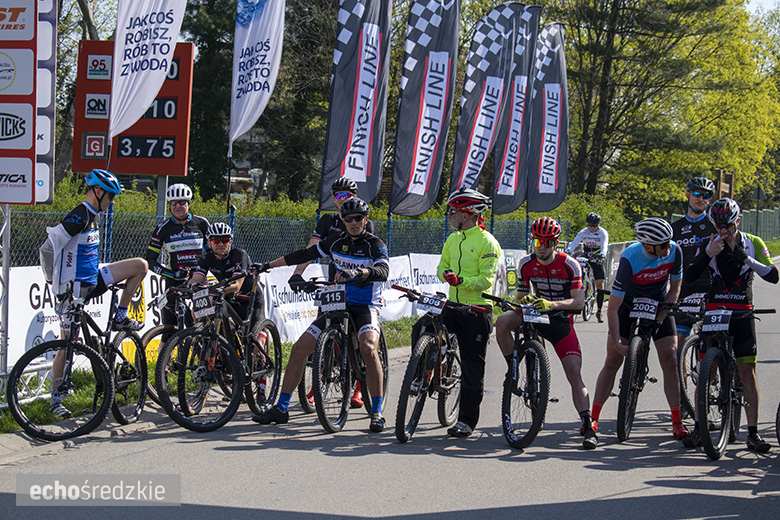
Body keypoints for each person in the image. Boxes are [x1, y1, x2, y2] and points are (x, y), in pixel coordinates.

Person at [253, 198, 390, 432]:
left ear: (366, 220)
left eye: (359, 218)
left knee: (368, 348)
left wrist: (359, 272)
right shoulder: (336, 241)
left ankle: (376, 412)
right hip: (338, 303)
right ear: (343, 221)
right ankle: (282, 408)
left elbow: (383, 270)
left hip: (365, 305)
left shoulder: (374, 244)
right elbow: (303, 254)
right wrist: (268, 265)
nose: (354, 223)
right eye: (349, 219)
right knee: (298, 349)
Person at [39, 169, 149, 416]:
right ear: (97, 192)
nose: (113, 201)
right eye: (111, 196)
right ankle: (55, 399)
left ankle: (121, 314)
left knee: (140, 266)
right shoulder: (80, 214)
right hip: (72, 289)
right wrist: (52, 284)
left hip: (92, 279)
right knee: (67, 344)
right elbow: (47, 249)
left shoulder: (95, 214)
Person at [682, 198, 778, 451]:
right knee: (707, 370)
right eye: (718, 226)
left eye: (728, 225)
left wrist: (744, 257)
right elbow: (689, 278)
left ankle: (753, 433)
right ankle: (699, 428)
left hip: (742, 312)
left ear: (737, 221)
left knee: (748, 373)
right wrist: (706, 255)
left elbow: (773, 276)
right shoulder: (709, 243)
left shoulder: (753, 243)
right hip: (716, 310)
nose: (723, 231)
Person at [496, 217, 597, 449]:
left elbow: (579, 302)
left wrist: (552, 304)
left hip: (560, 319)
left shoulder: (570, 264)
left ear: (555, 243)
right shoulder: (525, 263)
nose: (541, 246)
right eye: (538, 241)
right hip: (534, 314)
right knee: (502, 323)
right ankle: (513, 367)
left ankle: (588, 425)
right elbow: (520, 299)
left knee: (574, 373)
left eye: (547, 242)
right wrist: (523, 303)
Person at [589, 217, 690, 440]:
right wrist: (616, 342)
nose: (668, 247)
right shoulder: (630, 257)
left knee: (670, 358)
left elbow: (674, 290)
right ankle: (593, 419)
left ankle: (677, 421)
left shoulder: (675, 251)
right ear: (648, 246)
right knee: (613, 360)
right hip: (627, 302)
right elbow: (613, 307)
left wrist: (660, 319)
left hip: (658, 301)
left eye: (669, 242)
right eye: (663, 244)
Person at [288, 177, 375, 408]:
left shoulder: (362, 219)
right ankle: (319, 384)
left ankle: (359, 387)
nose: (342, 200)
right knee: (322, 333)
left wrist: (360, 274)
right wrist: (298, 273)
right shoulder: (327, 221)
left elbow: (373, 254)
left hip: (358, 286)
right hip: (333, 285)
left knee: (360, 338)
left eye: (347, 195)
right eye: (338, 196)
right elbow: (311, 249)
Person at [435, 187, 500, 437]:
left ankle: (466, 421)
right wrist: (447, 276)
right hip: (453, 305)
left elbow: (486, 280)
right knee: (422, 326)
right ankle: (424, 370)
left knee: (473, 369)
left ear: (467, 214)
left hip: (478, 310)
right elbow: (441, 267)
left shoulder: (487, 242)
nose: (449, 216)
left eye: (453, 212)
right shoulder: (452, 239)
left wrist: (460, 281)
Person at [189, 222, 270, 404]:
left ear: (230, 241)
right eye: (216, 240)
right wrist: (191, 287)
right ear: (209, 243)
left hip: (250, 299)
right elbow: (197, 278)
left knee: (256, 341)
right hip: (228, 298)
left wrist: (210, 290)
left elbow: (236, 285)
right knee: (205, 317)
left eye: (225, 240)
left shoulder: (239, 254)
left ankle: (262, 385)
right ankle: (219, 356)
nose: (221, 244)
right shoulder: (207, 258)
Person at [146, 183, 209, 331]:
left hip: (198, 278)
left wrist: (202, 271)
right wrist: (171, 273)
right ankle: (165, 354)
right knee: (169, 329)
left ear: (188, 204)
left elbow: (211, 253)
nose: (178, 206)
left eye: (182, 202)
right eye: (173, 203)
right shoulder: (163, 228)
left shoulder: (201, 223)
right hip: (173, 279)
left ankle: (205, 350)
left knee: (205, 320)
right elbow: (150, 260)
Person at [671, 177, 716, 349]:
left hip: (710, 288)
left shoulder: (714, 226)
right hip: (684, 289)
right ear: (687, 194)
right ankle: (681, 377)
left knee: (710, 344)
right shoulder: (675, 228)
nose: (701, 198)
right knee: (678, 345)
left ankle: (709, 375)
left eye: (706, 196)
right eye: (697, 193)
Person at [567, 212, 609, 322]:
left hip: (597, 256)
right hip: (585, 254)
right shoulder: (583, 232)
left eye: (594, 226)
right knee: (577, 271)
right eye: (590, 225)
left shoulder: (602, 232)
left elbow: (605, 245)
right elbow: (574, 243)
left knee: (600, 284)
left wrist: (603, 255)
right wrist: (568, 251)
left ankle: (599, 311)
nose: (592, 228)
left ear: (598, 225)